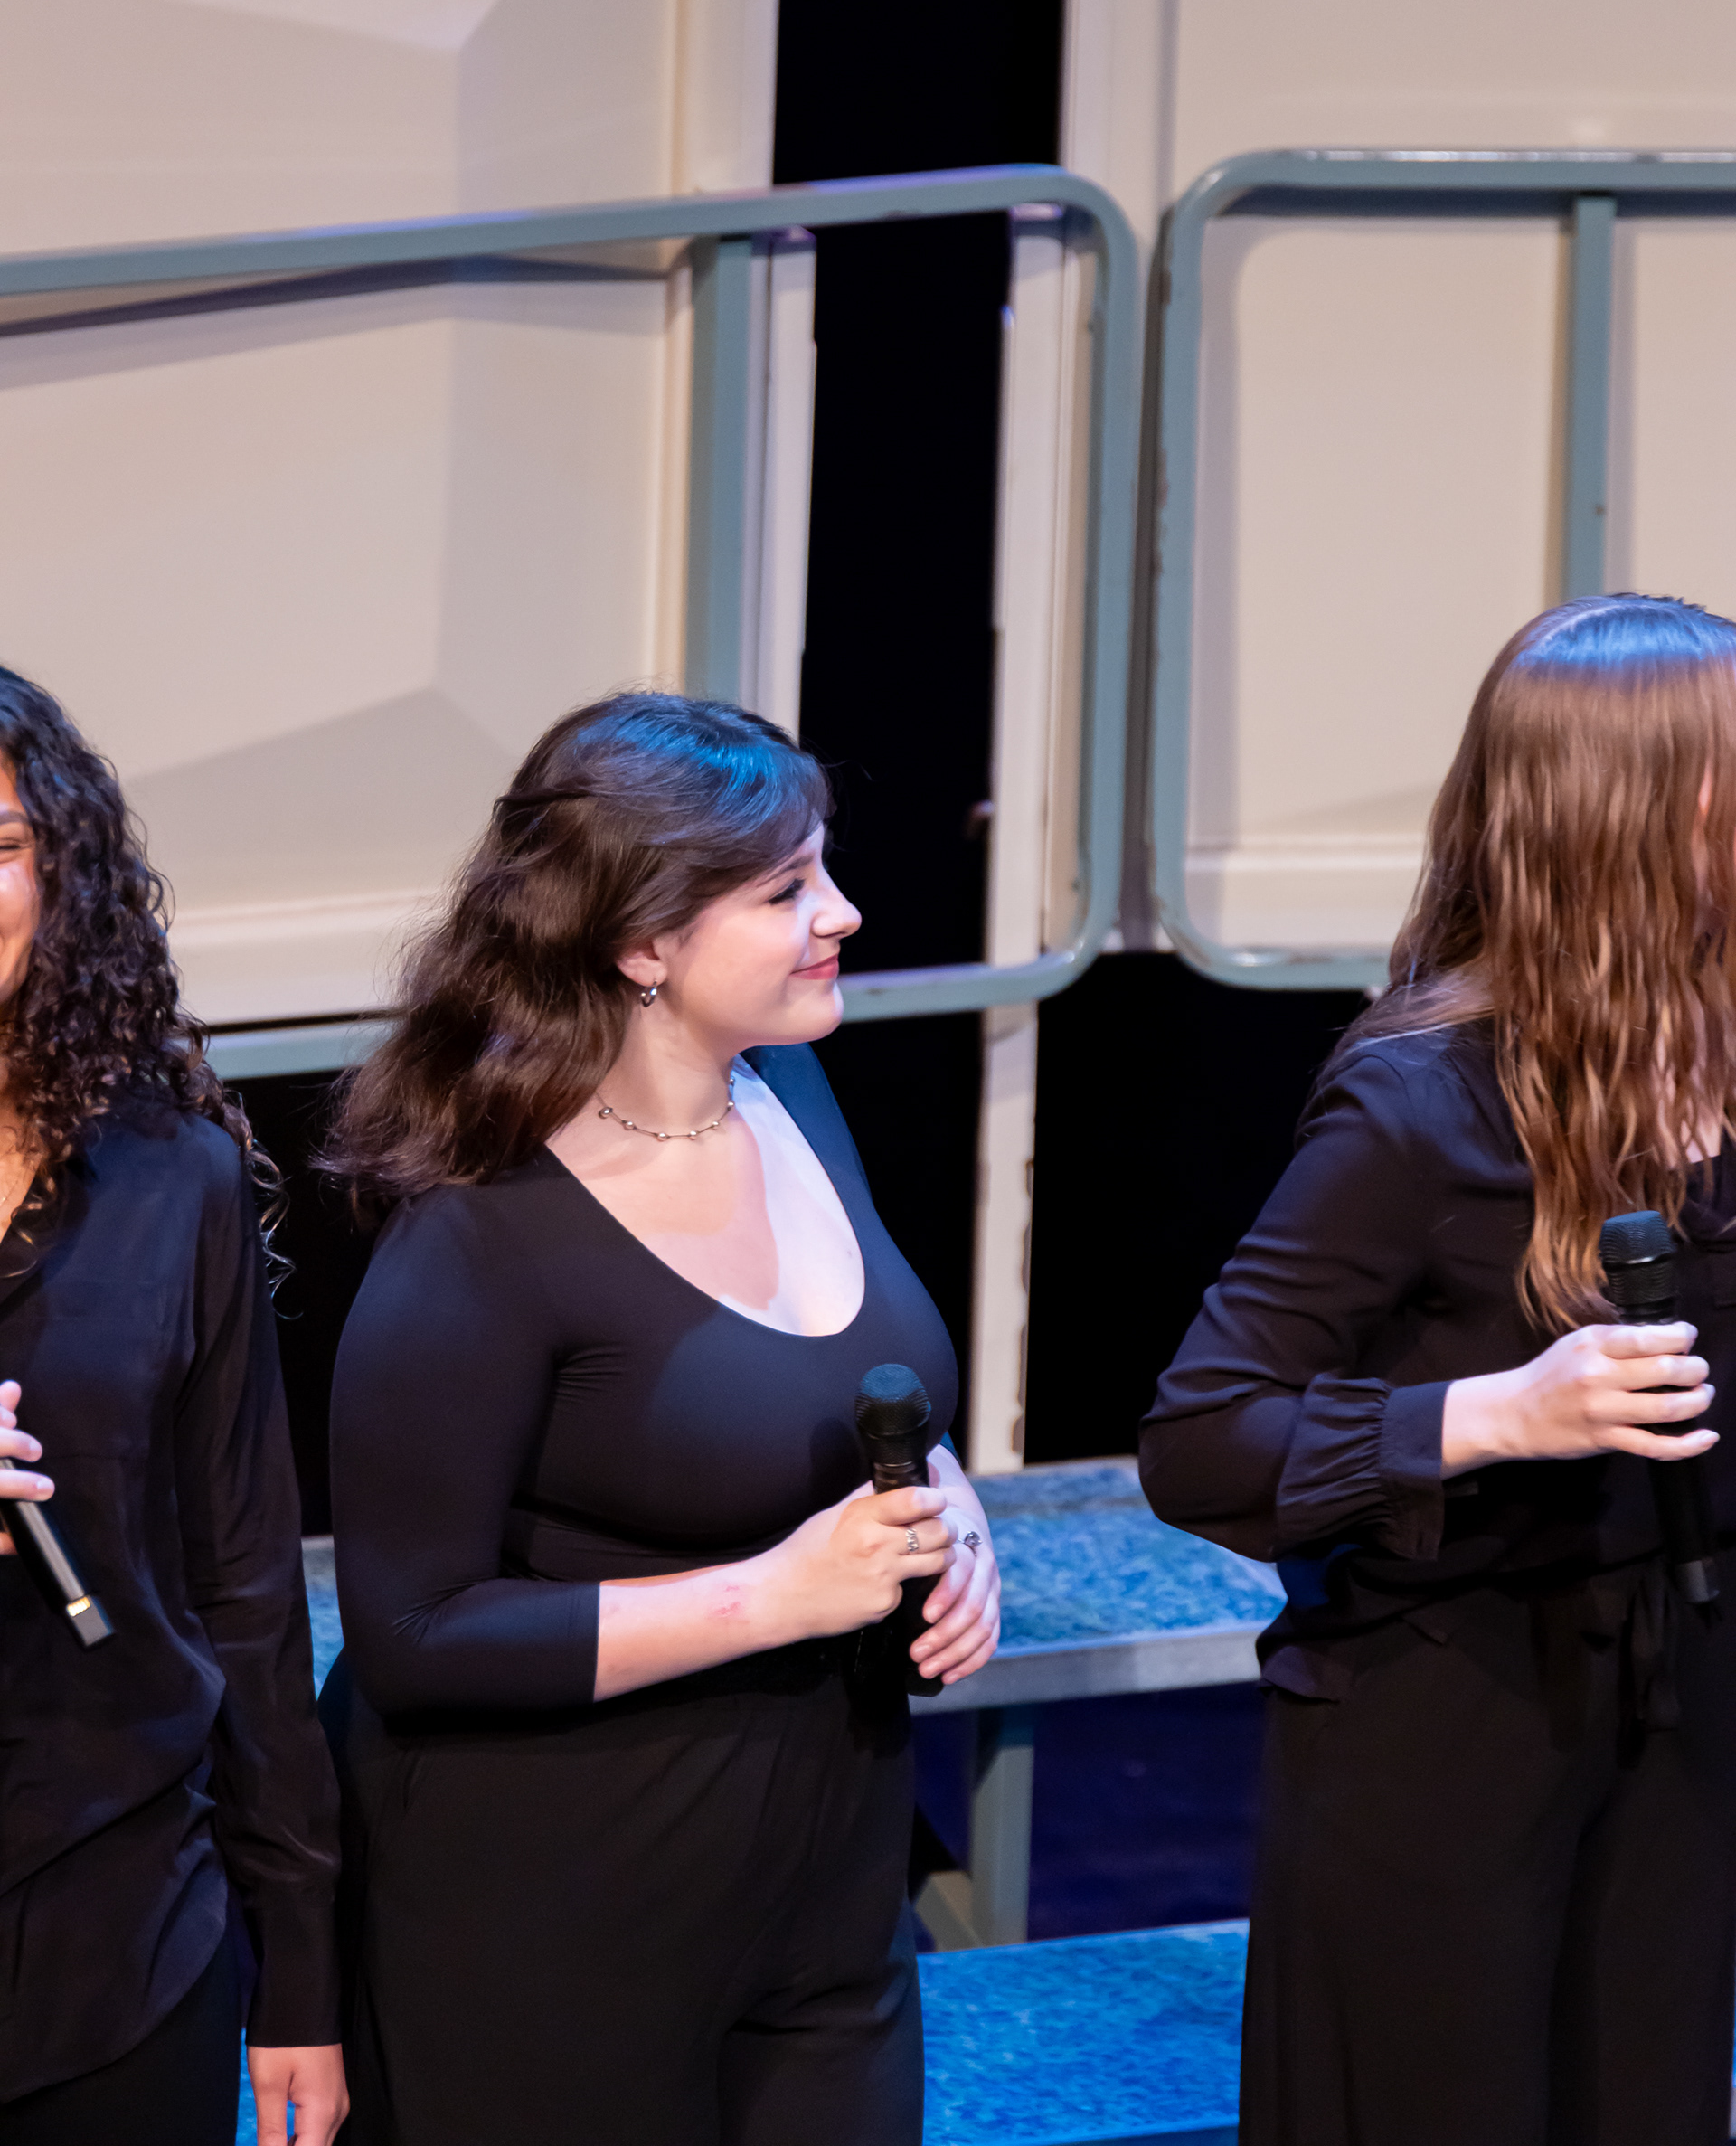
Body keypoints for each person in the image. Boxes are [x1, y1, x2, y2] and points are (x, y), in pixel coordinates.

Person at [321, 689, 1001, 2146]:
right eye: (785, 889)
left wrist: (949, 1506)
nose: (843, 913)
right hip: (562, 1915)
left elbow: (827, 1398)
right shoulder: (485, 1227)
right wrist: (771, 1596)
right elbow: (412, 1632)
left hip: (825, 1883)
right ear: (642, 943)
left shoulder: (794, 1093)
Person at [1142, 593, 1736, 2146]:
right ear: (1636, 814)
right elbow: (1201, 1439)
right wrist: (1498, 1415)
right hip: (1448, 1724)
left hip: (1680, 1710)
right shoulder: (1420, 1106)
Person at [0, 669, 345, 2146]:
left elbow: (244, 1588)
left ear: (60, 869)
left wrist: (300, 1968)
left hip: (123, 1924)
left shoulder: (172, 1174)